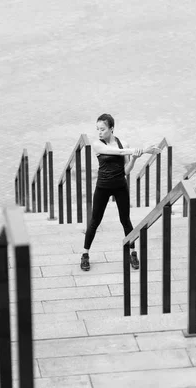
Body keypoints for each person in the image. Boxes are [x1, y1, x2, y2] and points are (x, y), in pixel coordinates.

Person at [80, 113, 160, 271]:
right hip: (103, 187)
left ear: (111, 128)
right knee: (95, 221)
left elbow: (126, 171)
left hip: (120, 186)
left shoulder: (123, 143)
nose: (99, 132)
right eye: (98, 129)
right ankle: (85, 254)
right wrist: (143, 150)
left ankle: (132, 252)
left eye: (102, 129)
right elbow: (117, 152)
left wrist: (135, 158)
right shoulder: (98, 145)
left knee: (126, 220)